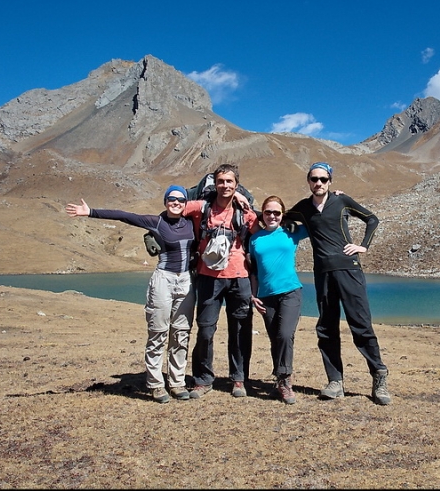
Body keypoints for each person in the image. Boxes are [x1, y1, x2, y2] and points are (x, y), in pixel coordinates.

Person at [65, 185, 196, 404]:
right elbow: (125, 216)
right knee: (158, 332)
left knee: (181, 334)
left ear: (185, 203)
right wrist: (90, 212)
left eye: (180, 200)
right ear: (165, 201)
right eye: (171, 199)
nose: (176, 203)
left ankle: (177, 382)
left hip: (186, 281)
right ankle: (156, 385)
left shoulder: (192, 224)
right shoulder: (157, 222)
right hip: (163, 279)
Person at [283, 162, 392, 405]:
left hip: (349, 270)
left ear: (330, 181)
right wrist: (288, 224)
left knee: (361, 324)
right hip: (322, 274)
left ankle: (379, 376)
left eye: (323, 179)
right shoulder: (303, 208)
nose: (318, 183)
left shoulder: (342, 201)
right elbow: (280, 216)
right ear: (308, 181)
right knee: (326, 328)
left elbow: (372, 220)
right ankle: (335, 381)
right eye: (314, 179)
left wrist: (363, 246)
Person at [181, 164, 258, 399]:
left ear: (236, 185)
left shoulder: (246, 213)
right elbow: (173, 208)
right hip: (208, 278)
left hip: (240, 279)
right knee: (205, 330)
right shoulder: (201, 207)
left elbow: (264, 233)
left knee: (240, 331)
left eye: (230, 182)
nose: (225, 185)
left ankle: (238, 379)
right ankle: (203, 379)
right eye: (221, 181)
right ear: (214, 183)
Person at [247, 195, 309, 404]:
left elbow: (317, 221)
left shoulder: (291, 232)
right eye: (268, 212)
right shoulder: (255, 239)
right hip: (266, 296)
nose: (272, 216)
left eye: (276, 212)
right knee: (276, 339)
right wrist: (253, 296)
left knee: (284, 334)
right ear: (262, 215)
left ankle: (285, 380)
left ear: (282, 215)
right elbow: (254, 271)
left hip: (290, 291)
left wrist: (336, 199)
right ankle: (280, 382)